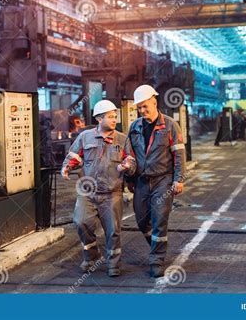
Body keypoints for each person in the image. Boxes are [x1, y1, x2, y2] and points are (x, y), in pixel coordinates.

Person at [61, 100, 136, 277]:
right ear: (99, 119)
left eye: (115, 116)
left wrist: (127, 166)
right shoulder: (85, 137)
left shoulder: (122, 139)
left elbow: (131, 162)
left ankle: (114, 264)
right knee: (80, 221)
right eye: (110, 117)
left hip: (112, 192)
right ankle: (91, 256)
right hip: (88, 192)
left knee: (113, 231)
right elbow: (74, 155)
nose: (114, 120)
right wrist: (66, 167)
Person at [127, 85, 186, 278]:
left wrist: (178, 179)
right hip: (142, 181)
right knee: (142, 220)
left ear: (154, 102)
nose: (142, 111)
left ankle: (156, 260)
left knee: (159, 219)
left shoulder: (169, 126)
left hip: (163, 180)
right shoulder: (134, 127)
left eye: (145, 106)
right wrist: (129, 178)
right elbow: (130, 155)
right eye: (139, 108)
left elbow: (179, 155)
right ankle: (156, 245)